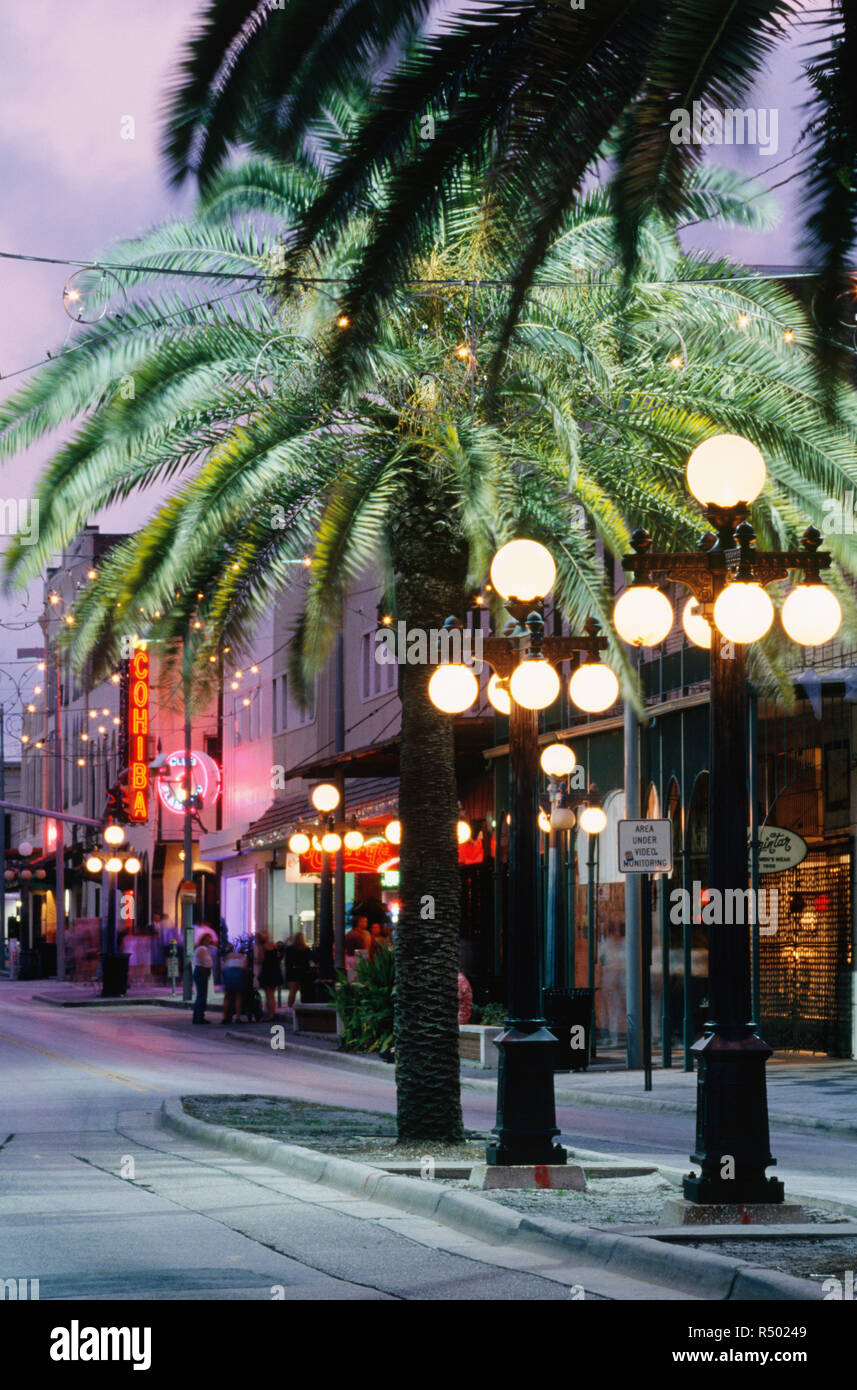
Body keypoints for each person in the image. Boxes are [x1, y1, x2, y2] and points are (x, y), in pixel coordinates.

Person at [257, 930, 284, 1022]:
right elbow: (279, 956)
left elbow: (260, 960)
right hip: (275, 971)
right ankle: (271, 1013)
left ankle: (270, 1014)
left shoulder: (262, 948)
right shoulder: (274, 945)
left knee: (269, 995)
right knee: (272, 994)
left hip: (267, 972)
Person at [284, 932, 313, 1012]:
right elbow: (309, 960)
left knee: (293, 991)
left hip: (293, 972)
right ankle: (304, 1006)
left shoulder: (290, 949)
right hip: (303, 971)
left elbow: (287, 962)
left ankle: (289, 1008)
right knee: (304, 990)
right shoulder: (306, 949)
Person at [220, 944, 249, 1024]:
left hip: (229, 974)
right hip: (238, 974)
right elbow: (245, 967)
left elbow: (223, 968)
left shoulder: (227, 957)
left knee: (227, 996)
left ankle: (225, 1017)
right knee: (238, 996)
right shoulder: (243, 957)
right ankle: (238, 1017)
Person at [191, 932, 215, 1024]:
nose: (209, 941)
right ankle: (198, 1017)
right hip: (202, 972)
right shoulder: (202, 949)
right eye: (208, 939)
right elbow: (201, 961)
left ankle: (199, 1016)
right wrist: (205, 971)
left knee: (202, 995)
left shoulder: (204, 949)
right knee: (201, 995)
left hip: (203, 971)